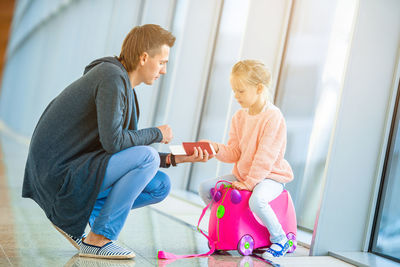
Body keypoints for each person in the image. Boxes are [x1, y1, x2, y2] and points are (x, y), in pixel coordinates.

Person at [22, 24, 211, 260]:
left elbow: (124, 150)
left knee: (160, 185)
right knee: (148, 157)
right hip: (59, 177)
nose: (163, 71)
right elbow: (114, 143)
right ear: (144, 58)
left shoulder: (121, 84)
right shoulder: (111, 77)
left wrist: (174, 158)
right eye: (162, 62)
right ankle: (98, 239)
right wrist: (157, 133)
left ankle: (84, 213)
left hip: (75, 168)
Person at [199, 60, 294, 258]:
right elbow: (235, 152)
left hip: (271, 176)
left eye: (241, 91)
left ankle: (280, 239)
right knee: (206, 188)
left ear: (259, 88)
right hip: (244, 176)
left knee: (258, 200)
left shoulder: (273, 117)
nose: (236, 96)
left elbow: (265, 157)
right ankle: (227, 232)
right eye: (234, 90)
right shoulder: (239, 117)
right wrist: (216, 149)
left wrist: (250, 183)